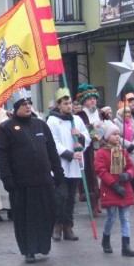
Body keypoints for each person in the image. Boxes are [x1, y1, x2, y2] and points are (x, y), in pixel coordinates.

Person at [0, 89, 64, 263]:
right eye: (24, 104)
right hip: (21, 182)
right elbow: (2, 156)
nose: (28, 106)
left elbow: (51, 150)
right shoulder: (6, 128)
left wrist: (58, 171)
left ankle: (42, 244)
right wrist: (7, 179)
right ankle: (28, 249)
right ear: (16, 107)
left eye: (29, 103)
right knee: (26, 217)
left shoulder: (40, 124)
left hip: (43, 179)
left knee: (47, 213)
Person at [47, 87, 90, 242]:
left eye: (70, 103)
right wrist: (70, 154)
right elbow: (53, 142)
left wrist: (80, 138)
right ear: (59, 105)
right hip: (61, 165)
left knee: (71, 197)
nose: (69, 106)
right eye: (65, 103)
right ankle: (57, 225)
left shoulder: (77, 120)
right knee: (61, 196)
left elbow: (87, 136)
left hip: (75, 166)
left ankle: (68, 226)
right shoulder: (52, 121)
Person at [94, 122, 134, 257]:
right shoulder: (101, 153)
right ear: (107, 137)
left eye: (119, 134)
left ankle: (126, 245)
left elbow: (131, 166)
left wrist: (128, 174)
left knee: (125, 217)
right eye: (114, 134)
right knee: (111, 217)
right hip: (111, 189)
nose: (117, 137)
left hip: (124, 188)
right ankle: (106, 239)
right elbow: (101, 171)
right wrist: (114, 185)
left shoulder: (122, 151)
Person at [75, 83, 103, 216]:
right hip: (88, 150)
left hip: (100, 148)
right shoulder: (80, 115)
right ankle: (93, 204)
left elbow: (106, 130)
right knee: (90, 176)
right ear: (84, 101)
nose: (93, 101)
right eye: (89, 99)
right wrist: (93, 130)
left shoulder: (100, 114)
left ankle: (99, 201)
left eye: (94, 98)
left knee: (101, 176)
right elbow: (83, 132)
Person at [114, 102, 134, 195]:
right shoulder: (116, 122)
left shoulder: (133, 122)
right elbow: (116, 136)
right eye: (125, 113)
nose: (128, 115)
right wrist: (128, 144)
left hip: (132, 149)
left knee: (133, 167)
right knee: (122, 169)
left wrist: (133, 145)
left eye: (129, 113)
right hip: (121, 148)